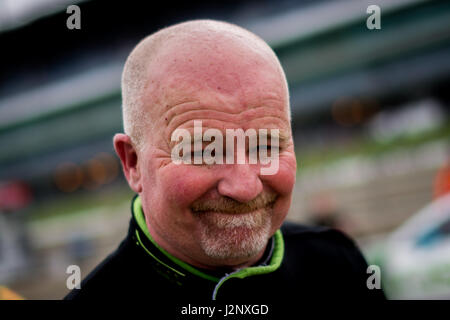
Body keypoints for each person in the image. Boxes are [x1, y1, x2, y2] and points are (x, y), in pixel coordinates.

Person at [65, 20, 385, 301]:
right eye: (204, 152)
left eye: (265, 145)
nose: (244, 188)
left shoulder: (338, 265)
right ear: (133, 163)